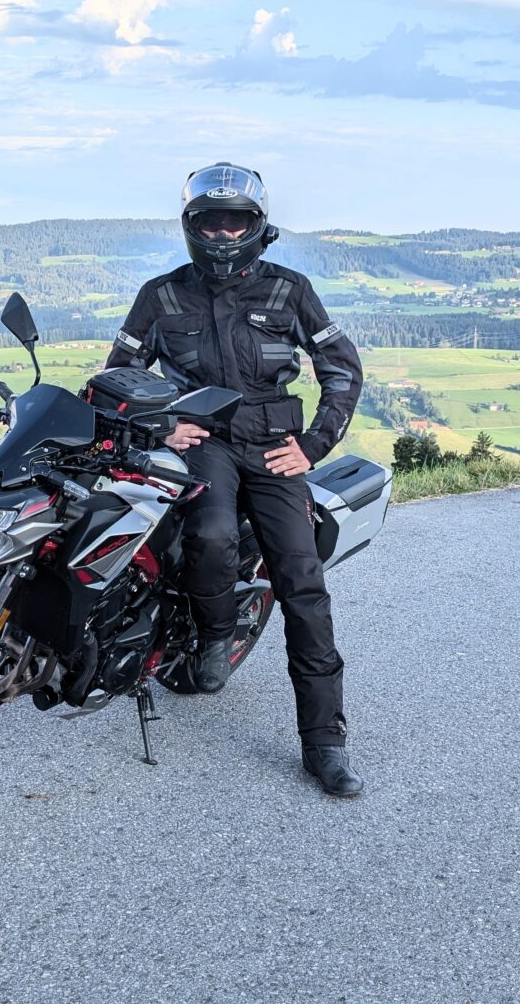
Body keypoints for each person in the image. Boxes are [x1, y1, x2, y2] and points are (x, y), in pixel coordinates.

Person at [104, 162, 364, 796]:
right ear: (192, 226)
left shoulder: (290, 289)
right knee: (213, 535)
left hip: (275, 447)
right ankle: (215, 636)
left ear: (256, 225)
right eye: (210, 223)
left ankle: (325, 743)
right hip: (206, 443)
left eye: (235, 223)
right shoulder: (160, 295)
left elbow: (342, 368)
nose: (222, 235)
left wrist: (312, 444)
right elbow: (117, 375)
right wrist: (161, 426)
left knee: (303, 582)